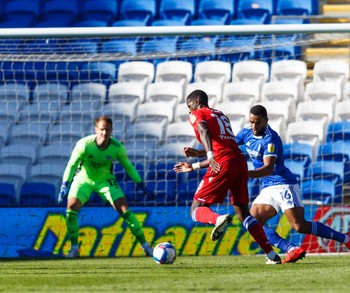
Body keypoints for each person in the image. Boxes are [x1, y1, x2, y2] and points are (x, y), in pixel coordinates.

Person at [184, 105, 350, 263]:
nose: (254, 126)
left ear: (266, 120)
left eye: (257, 122)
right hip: (267, 187)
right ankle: (290, 249)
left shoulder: (271, 139)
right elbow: (225, 150)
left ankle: (346, 239)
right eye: (251, 122)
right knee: (253, 221)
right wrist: (199, 153)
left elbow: (268, 168)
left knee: (298, 225)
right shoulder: (246, 133)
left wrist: (243, 173)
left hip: (283, 184)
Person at [173, 90, 282, 264]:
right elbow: (224, 148)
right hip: (239, 162)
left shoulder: (197, 114)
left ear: (197, 101)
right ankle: (271, 255)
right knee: (244, 214)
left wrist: (209, 155)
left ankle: (218, 219)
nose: (189, 111)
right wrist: (194, 165)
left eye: (189, 106)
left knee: (195, 209)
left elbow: (204, 130)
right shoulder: (220, 115)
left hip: (223, 163)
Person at [57, 115, 154, 258]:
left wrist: (141, 185)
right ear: (96, 129)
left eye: (107, 129)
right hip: (83, 179)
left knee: (124, 210)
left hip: (105, 180)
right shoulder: (84, 144)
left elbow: (128, 167)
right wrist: (64, 185)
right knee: (71, 209)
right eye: (102, 129)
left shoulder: (116, 147)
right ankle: (75, 249)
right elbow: (71, 165)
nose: (104, 133)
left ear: (111, 130)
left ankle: (146, 246)